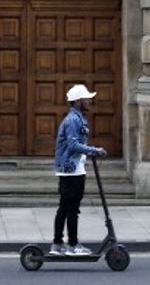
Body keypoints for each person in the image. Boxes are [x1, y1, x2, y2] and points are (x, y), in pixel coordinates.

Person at [53, 83, 106, 256]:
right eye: (86, 98)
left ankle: (58, 244)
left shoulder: (76, 117)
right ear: (77, 101)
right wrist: (95, 151)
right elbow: (73, 144)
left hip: (72, 167)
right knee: (72, 208)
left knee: (65, 206)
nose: (89, 101)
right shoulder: (73, 120)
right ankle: (72, 245)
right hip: (71, 169)